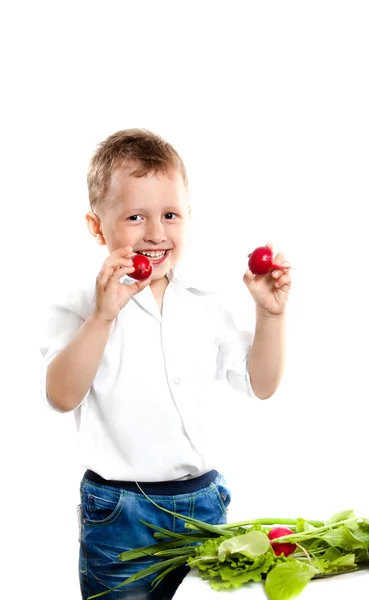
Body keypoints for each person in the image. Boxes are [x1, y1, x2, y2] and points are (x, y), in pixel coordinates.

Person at [40, 128, 292, 600]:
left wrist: (269, 314)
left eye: (170, 215)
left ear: (189, 217)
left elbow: (262, 383)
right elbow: (60, 395)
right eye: (135, 216)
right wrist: (103, 316)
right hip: (119, 512)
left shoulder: (205, 302)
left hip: (202, 504)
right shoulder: (79, 306)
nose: (156, 232)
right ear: (98, 227)